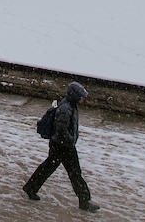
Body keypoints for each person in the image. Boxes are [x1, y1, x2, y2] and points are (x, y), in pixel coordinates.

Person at [23, 81, 100, 212]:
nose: (83, 99)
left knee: (49, 167)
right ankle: (84, 201)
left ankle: (31, 187)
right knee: (75, 173)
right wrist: (70, 140)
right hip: (63, 146)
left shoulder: (70, 105)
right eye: (81, 96)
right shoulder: (66, 108)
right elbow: (61, 129)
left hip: (60, 145)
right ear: (75, 96)